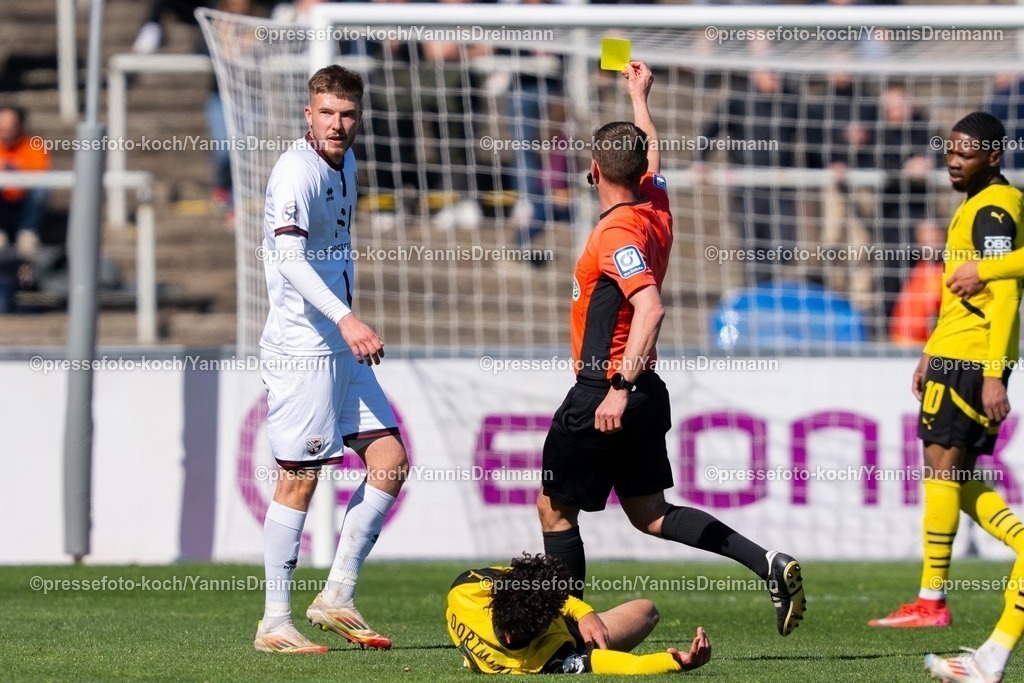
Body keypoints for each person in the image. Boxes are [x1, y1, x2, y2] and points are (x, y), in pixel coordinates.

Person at [535, 60, 806, 639]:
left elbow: (651, 307)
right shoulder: (653, 202)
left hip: (607, 390)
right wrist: (639, 96)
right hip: (642, 391)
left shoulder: (616, 233)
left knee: (554, 509)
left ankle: (569, 638)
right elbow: (649, 153)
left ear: (592, 171)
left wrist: (617, 388)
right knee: (651, 513)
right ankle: (769, 564)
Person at [252, 65, 409, 654]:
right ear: (308, 113)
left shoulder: (346, 164)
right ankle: (273, 622)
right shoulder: (296, 171)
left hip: (337, 345)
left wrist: (344, 322)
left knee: (389, 460)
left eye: (347, 114)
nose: (337, 124)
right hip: (302, 348)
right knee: (299, 478)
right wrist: (346, 318)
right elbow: (290, 259)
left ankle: (337, 594)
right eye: (326, 113)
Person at [864, 112, 1024, 683]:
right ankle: (937, 599)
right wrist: (933, 346)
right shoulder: (977, 204)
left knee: (943, 469)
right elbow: (969, 289)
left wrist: (993, 372)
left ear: (994, 156)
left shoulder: (994, 208)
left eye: (967, 152)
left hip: (973, 361)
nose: (954, 160)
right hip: (955, 353)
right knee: (945, 473)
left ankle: (932, 597)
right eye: (950, 151)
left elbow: (1003, 291)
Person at [446, 553, 711, 674]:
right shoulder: (548, 658)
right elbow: (625, 665)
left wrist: (581, 610)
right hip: (575, 636)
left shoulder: (465, 590)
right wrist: (676, 662)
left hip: (566, 623)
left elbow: (522, 578)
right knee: (647, 610)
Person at [0, 106, 50, 258]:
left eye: (10, 126)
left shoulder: (34, 145)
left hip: (25, 202)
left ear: (20, 126)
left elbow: (39, 174)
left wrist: (14, 169)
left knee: (41, 188)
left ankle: (27, 233)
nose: (5, 130)